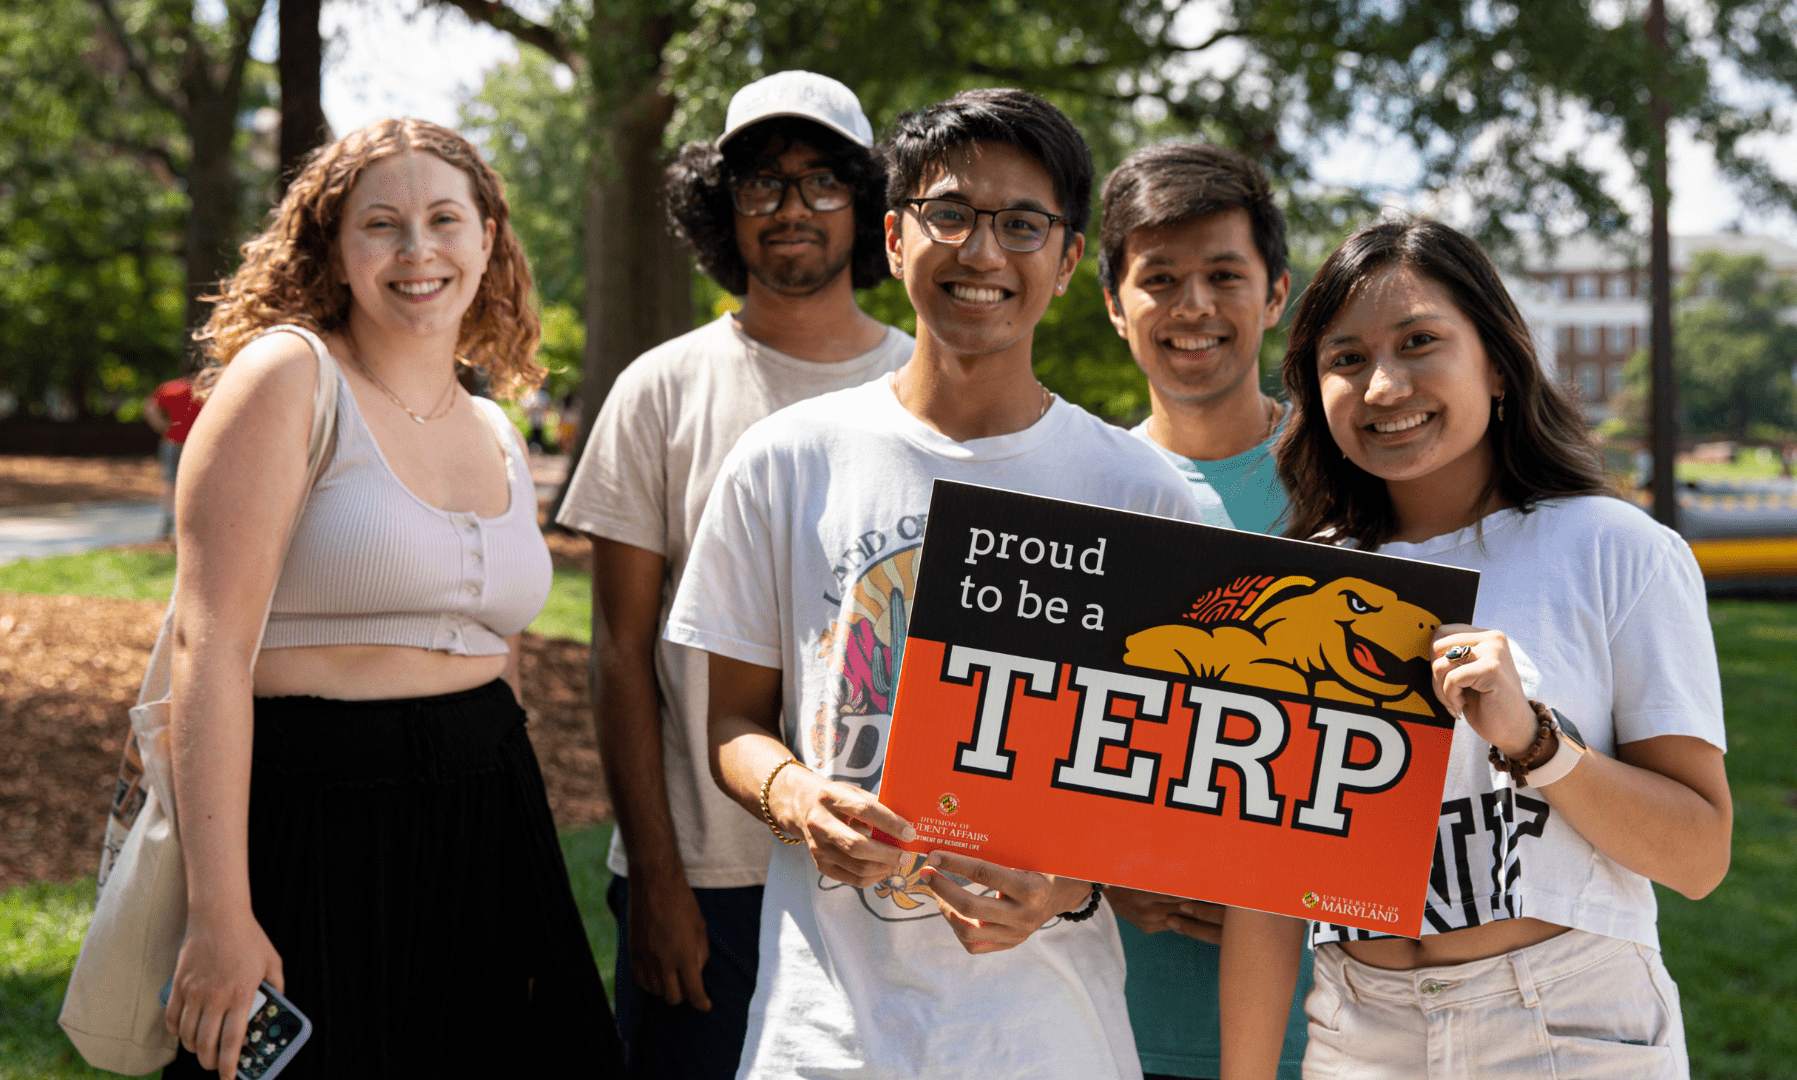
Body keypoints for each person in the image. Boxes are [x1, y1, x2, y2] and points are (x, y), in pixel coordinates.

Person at [662, 88, 1203, 1079]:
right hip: (823, 1038)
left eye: (1022, 224)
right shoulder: (785, 459)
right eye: (949, 213)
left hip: (1052, 1037)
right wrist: (795, 798)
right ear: (897, 237)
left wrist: (1069, 883)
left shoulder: (1139, 492)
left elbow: (1163, 788)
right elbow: (732, 726)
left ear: (1070, 258)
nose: (983, 251)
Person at [1219, 219, 1731, 1079]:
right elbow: (1269, 897)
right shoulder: (1302, 591)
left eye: (1420, 342)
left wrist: (1536, 741)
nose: (1383, 384)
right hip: (1357, 1034)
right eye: (1344, 359)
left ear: (1497, 362)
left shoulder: (1617, 550)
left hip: (1565, 1023)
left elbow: (1699, 856)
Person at [162, 119, 620, 1079]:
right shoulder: (290, 378)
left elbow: (498, 643)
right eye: (382, 224)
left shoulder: (496, 426)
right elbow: (206, 651)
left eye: (445, 219)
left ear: (488, 237)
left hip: (487, 812)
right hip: (314, 814)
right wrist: (220, 911)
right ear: (334, 246)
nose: (418, 251)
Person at [554, 70, 912, 1076]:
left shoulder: (927, 384)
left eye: (821, 183)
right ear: (723, 205)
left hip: (884, 862)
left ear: (869, 204)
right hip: (708, 873)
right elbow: (622, 651)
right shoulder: (659, 389)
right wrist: (659, 876)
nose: (790, 208)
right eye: (761, 183)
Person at [1096, 141, 1310, 1080]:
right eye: (1160, 278)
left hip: (1340, 1026)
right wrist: (1102, 876)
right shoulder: (1074, 491)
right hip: (1117, 1021)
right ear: (1113, 303)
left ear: (1274, 296)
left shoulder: (1361, 487)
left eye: (1225, 275)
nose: (1193, 307)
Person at [144, 375, 204, 538]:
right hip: (195, 443)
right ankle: (192, 523)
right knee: (196, 483)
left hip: (171, 442)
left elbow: (149, 410)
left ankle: (168, 520)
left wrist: (163, 427)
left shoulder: (168, 388)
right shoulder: (202, 390)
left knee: (169, 483)